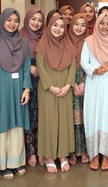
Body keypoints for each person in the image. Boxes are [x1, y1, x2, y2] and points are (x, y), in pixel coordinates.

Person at [0, 8, 31, 180]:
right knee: (1, 126)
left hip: (17, 89)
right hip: (0, 90)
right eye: (9, 20)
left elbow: (26, 66)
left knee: (17, 127)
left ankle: (16, 161)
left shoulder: (23, 43)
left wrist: (26, 88)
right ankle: (1, 164)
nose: (12, 24)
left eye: (15, 20)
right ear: (2, 21)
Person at [80, 12, 108, 171]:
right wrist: (93, 70)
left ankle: (106, 155)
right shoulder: (89, 41)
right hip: (94, 84)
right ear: (97, 24)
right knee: (93, 116)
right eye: (102, 23)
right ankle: (94, 155)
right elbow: (83, 61)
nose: (105, 27)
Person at [36, 13, 76, 173]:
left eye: (61, 26)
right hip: (48, 89)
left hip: (65, 87)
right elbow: (40, 67)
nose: (58, 29)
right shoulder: (42, 44)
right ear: (49, 26)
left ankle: (63, 155)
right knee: (49, 122)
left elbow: (72, 66)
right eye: (55, 25)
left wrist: (68, 85)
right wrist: (50, 86)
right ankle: (50, 157)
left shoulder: (68, 44)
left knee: (64, 121)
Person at [20, 8, 45, 167]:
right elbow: (13, 59)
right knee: (29, 116)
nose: (36, 23)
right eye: (33, 19)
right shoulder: (19, 36)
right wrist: (27, 66)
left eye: (40, 20)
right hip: (25, 80)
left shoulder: (45, 37)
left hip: (42, 80)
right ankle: (31, 152)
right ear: (27, 19)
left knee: (41, 116)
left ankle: (41, 149)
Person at [68, 13, 89, 165]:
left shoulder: (90, 42)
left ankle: (85, 150)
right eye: (76, 24)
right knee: (71, 119)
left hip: (87, 83)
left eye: (83, 25)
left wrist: (85, 83)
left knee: (85, 118)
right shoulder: (64, 41)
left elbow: (93, 63)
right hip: (69, 84)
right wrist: (72, 83)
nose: (79, 28)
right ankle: (73, 151)